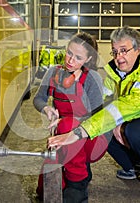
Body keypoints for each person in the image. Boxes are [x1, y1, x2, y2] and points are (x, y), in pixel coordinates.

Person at [47, 26, 140, 203]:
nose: (118, 57)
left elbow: (124, 108)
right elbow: (102, 107)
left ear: (138, 49)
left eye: (124, 50)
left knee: (134, 131)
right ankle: (134, 165)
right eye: (115, 52)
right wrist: (75, 120)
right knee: (106, 128)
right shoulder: (114, 72)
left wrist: (77, 133)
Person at [33, 32, 109, 202]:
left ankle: (78, 184)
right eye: (69, 53)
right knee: (44, 190)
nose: (70, 60)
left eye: (78, 57)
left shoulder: (92, 79)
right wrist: (46, 109)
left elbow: (97, 118)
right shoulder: (53, 72)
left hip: (91, 137)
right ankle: (80, 169)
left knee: (68, 125)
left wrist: (65, 123)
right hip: (62, 133)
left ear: (88, 60)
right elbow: (38, 99)